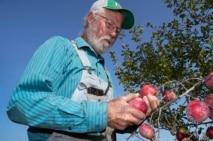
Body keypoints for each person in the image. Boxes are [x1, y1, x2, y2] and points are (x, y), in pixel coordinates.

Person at [6, 0, 160, 141]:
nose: (114, 34)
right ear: (91, 18)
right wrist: (104, 113)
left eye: (118, 31)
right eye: (109, 24)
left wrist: (132, 115)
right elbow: (22, 103)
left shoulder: (106, 74)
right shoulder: (61, 48)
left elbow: (107, 124)